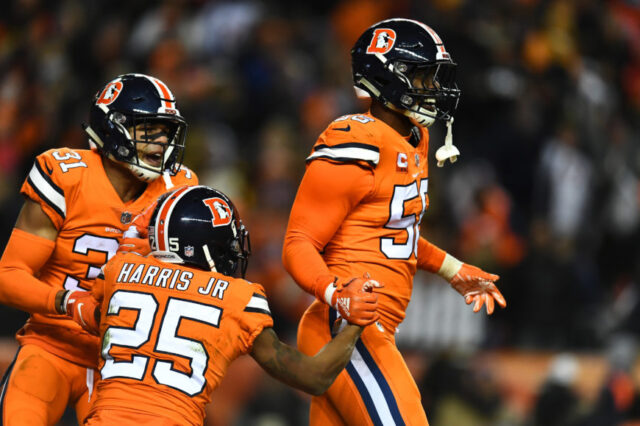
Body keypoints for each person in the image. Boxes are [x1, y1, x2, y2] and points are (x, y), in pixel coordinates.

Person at [282, 18, 507, 425]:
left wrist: (452, 269)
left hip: (368, 327)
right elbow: (298, 242)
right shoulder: (355, 139)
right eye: (421, 77)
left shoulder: (415, 138)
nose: (432, 88)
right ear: (386, 78)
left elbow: (394, 231)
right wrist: (337, 294)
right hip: (348, 326)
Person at [64, 185, 381, 425]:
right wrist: (354, 322)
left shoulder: (120, 270)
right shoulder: (237, 297)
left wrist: (132, 239)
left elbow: (89, 310)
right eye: (227, 245)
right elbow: (314, 376)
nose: (232, 253)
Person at [0, 73, 198, 425]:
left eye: (167, 130)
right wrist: (68, 302)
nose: (162, 141)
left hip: (123, 366)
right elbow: (8, 276)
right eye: (149, 129)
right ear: (113, 128)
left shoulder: (178, 188)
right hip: (51, 346)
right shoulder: (66, 175)